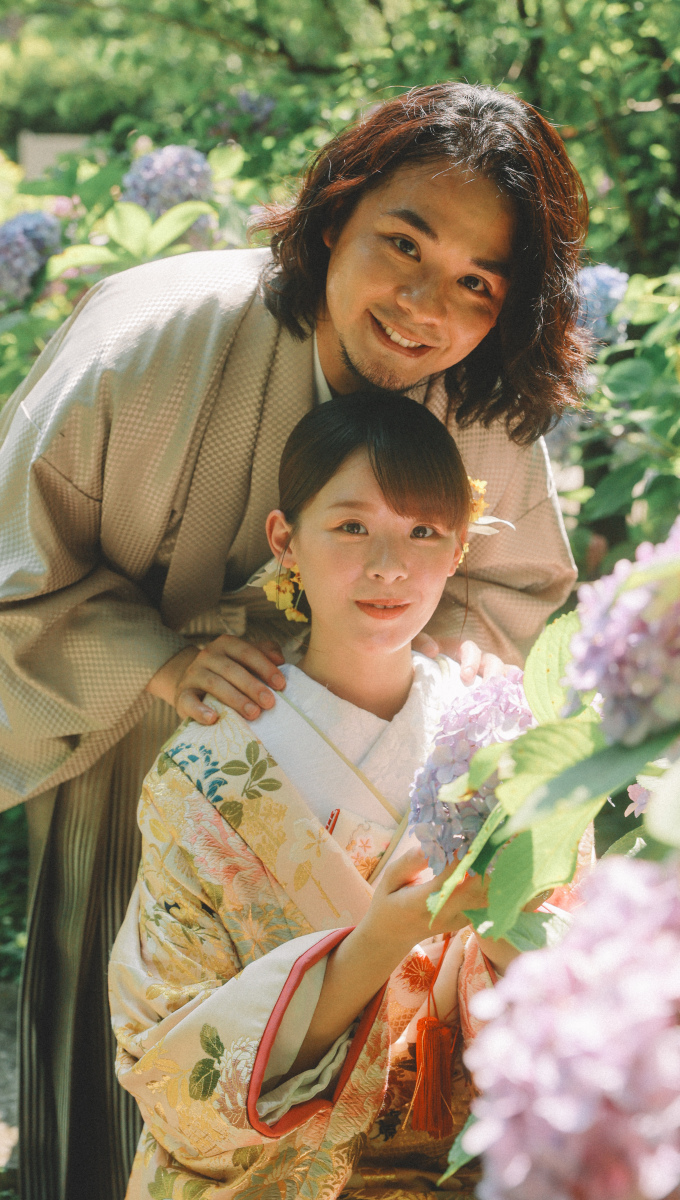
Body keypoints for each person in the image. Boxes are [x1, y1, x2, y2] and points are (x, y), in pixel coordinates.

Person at [0, 82, 587, 1199]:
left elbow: (504, 592)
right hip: (138, 730)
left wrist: (435, 674)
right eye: (400, 245)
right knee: (137, 1031)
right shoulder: (151, 343)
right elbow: (14, 564)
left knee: (374, 1065)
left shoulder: (484, 401)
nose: (423, 307)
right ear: (331, 220)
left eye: (476, 283)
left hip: (365, 777)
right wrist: (156, 660)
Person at [110, 393, 523, 1199]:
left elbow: (579, 964)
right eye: (352, 526)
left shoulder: (498, 746)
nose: (389, 565)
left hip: (465, 1164)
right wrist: (374, 945)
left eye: (423, 532)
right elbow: (165, 1054)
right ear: (284, 540)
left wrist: (500, 933)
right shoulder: (206, 770)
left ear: (458, 550)